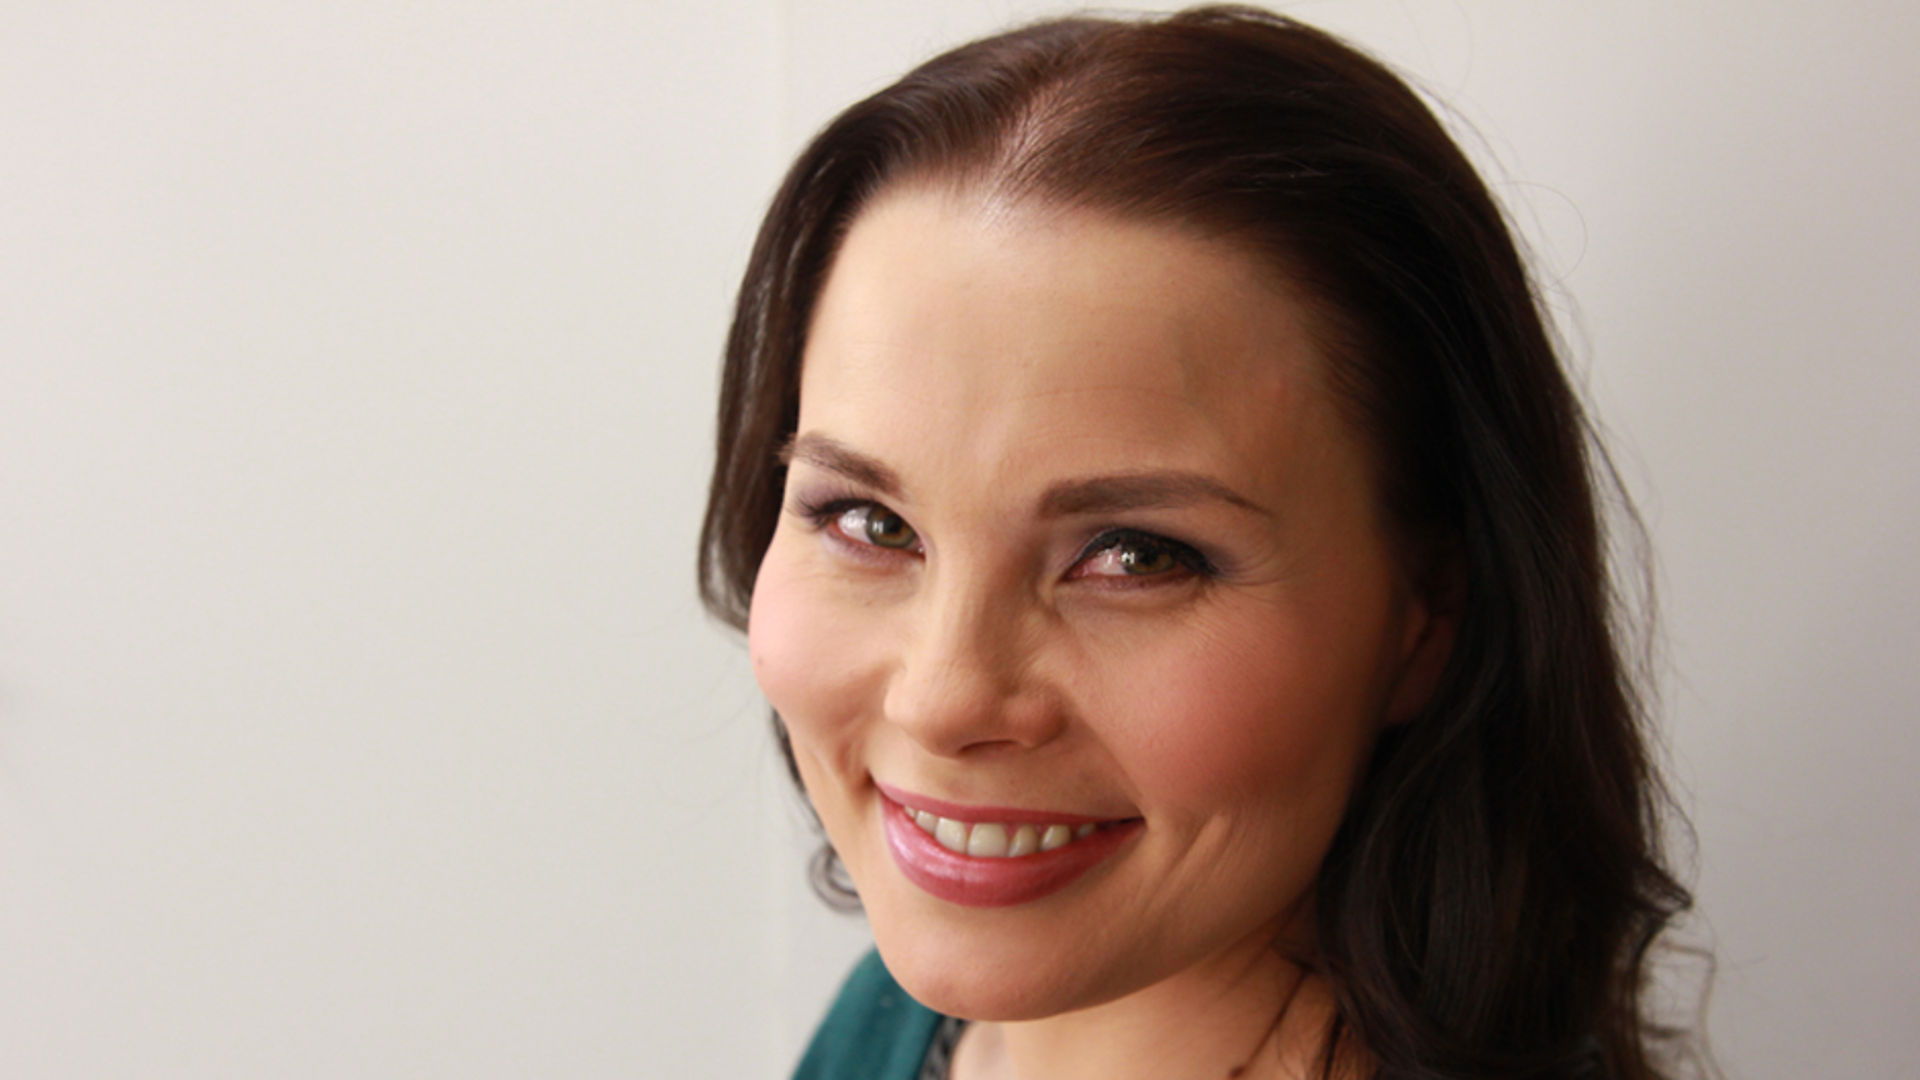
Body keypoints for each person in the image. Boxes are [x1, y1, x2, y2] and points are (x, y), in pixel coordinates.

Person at [699, 6, 1700, 1078]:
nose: (943, 701)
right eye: (870, 522)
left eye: (1136, 555)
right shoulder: (884, 1034)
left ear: (1427, 615)